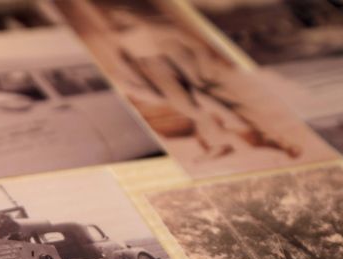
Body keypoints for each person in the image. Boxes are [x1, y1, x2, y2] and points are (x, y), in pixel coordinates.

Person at [107, 7, 300, 159]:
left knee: (234, 102)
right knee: (189, 110)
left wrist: (205, 68)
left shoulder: (161, 30)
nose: (120, 20)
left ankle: (275, 136)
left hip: (192, 68)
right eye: (115, 18)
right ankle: (217, 144)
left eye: (124, 15)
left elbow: (197, 48)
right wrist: (148, 88)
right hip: (159, 74)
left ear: (134, 16)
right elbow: (129, 68)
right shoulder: (121, 42)